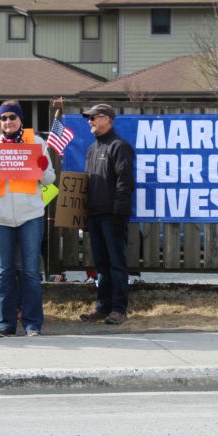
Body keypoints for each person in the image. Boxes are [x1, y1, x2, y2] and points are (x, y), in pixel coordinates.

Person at [0, 100, 55, 337]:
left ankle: (33, 324)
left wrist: (43, 167)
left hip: (30, 215)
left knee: (30, 271)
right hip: (1, 217)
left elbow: (49, 180)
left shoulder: (36, 142)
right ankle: (5, 324)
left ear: (21, 120)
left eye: (12, 117)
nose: (8, 122)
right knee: (4, 272)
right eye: (3, 118)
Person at [79, 104, 134, 325]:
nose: (89, 121)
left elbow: (125, 181)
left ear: (107, 119)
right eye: (88, 118)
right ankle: (103, 307)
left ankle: (119, 309)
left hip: (112, 216)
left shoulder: (119, 146)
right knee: (100, 264)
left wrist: (119, 212)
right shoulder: (93, 148)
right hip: (95, 214)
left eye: (93, 117)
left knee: (116, 263)